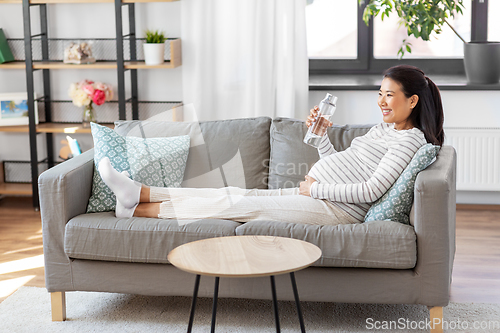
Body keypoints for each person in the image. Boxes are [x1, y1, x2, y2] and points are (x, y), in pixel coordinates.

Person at [99, 65, 444, 225]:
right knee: (235, 193)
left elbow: (371, 190)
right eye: (380, 94)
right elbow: (342, 162)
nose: (382, 102)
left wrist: (316, 189)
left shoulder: (410, 139)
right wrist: (322, 137)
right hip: (318, 195)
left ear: (412, 101)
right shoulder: (382, 129)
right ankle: (139, 194)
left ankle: (137, 208)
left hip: (334, 211)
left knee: (233, 205)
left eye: (390, 95)